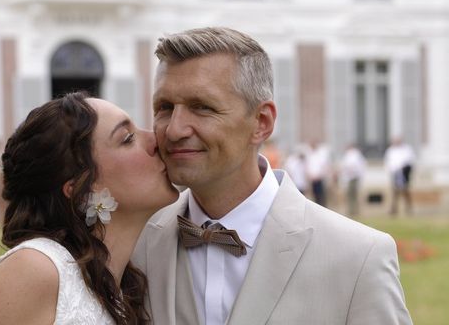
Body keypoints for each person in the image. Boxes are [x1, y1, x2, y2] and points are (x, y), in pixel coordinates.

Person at [133, 27, 412, 325]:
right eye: (164, 108)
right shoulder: (137, 245)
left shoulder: (358, 258)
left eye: (202, 108)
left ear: (261, 123)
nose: (174, 130)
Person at [0, 93, 179, 324]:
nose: (156, 139)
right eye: (128, 138)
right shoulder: (38, 268)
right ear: (81, 187)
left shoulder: (127, 287)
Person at [384, 136, 416, 215]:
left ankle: (409, 209)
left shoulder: (406, 149)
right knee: (395, 192)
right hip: (395, 173)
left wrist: (403, 169)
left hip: (404, 173)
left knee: (405, 191)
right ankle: (394, 209)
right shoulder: (390, 150)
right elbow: (388, 161)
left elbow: (410, 160)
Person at [339, 143, 367, 217]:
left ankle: (356, 210)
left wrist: (355, 171)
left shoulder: (356, 154)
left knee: (354, 194)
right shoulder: (347, 155)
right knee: (349, 195)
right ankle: (350, 210)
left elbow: (360, 165)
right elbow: (344, 166)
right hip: (348, 178)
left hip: (355, 177)